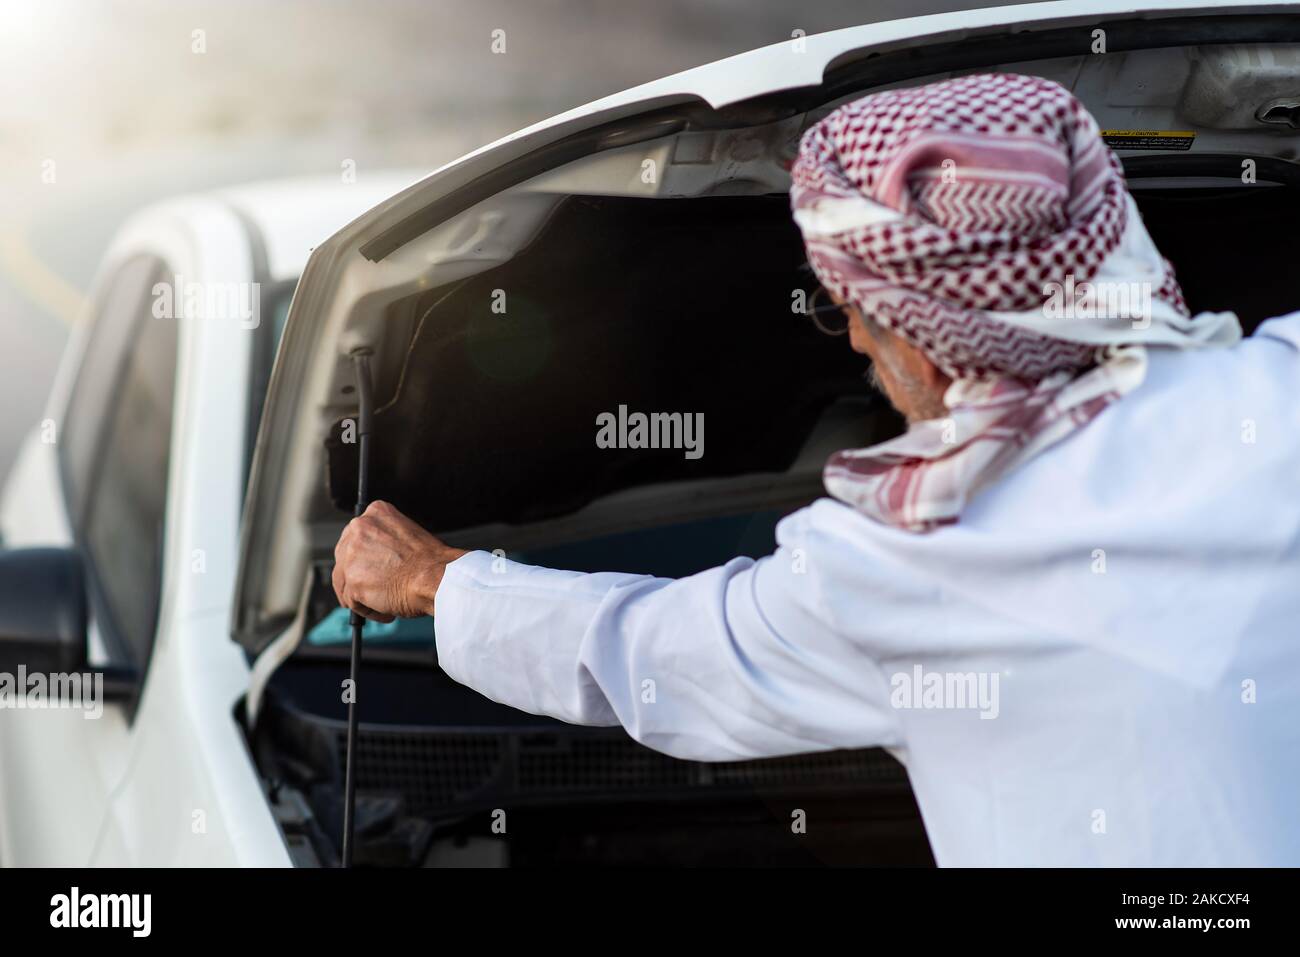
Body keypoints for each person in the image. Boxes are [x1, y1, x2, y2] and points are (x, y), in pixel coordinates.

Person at [330, 74, 1300, 866]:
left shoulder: (899, 565)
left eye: (852, 317)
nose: (857, 355)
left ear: (924, 348)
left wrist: (430, 581)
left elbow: (646, 653)